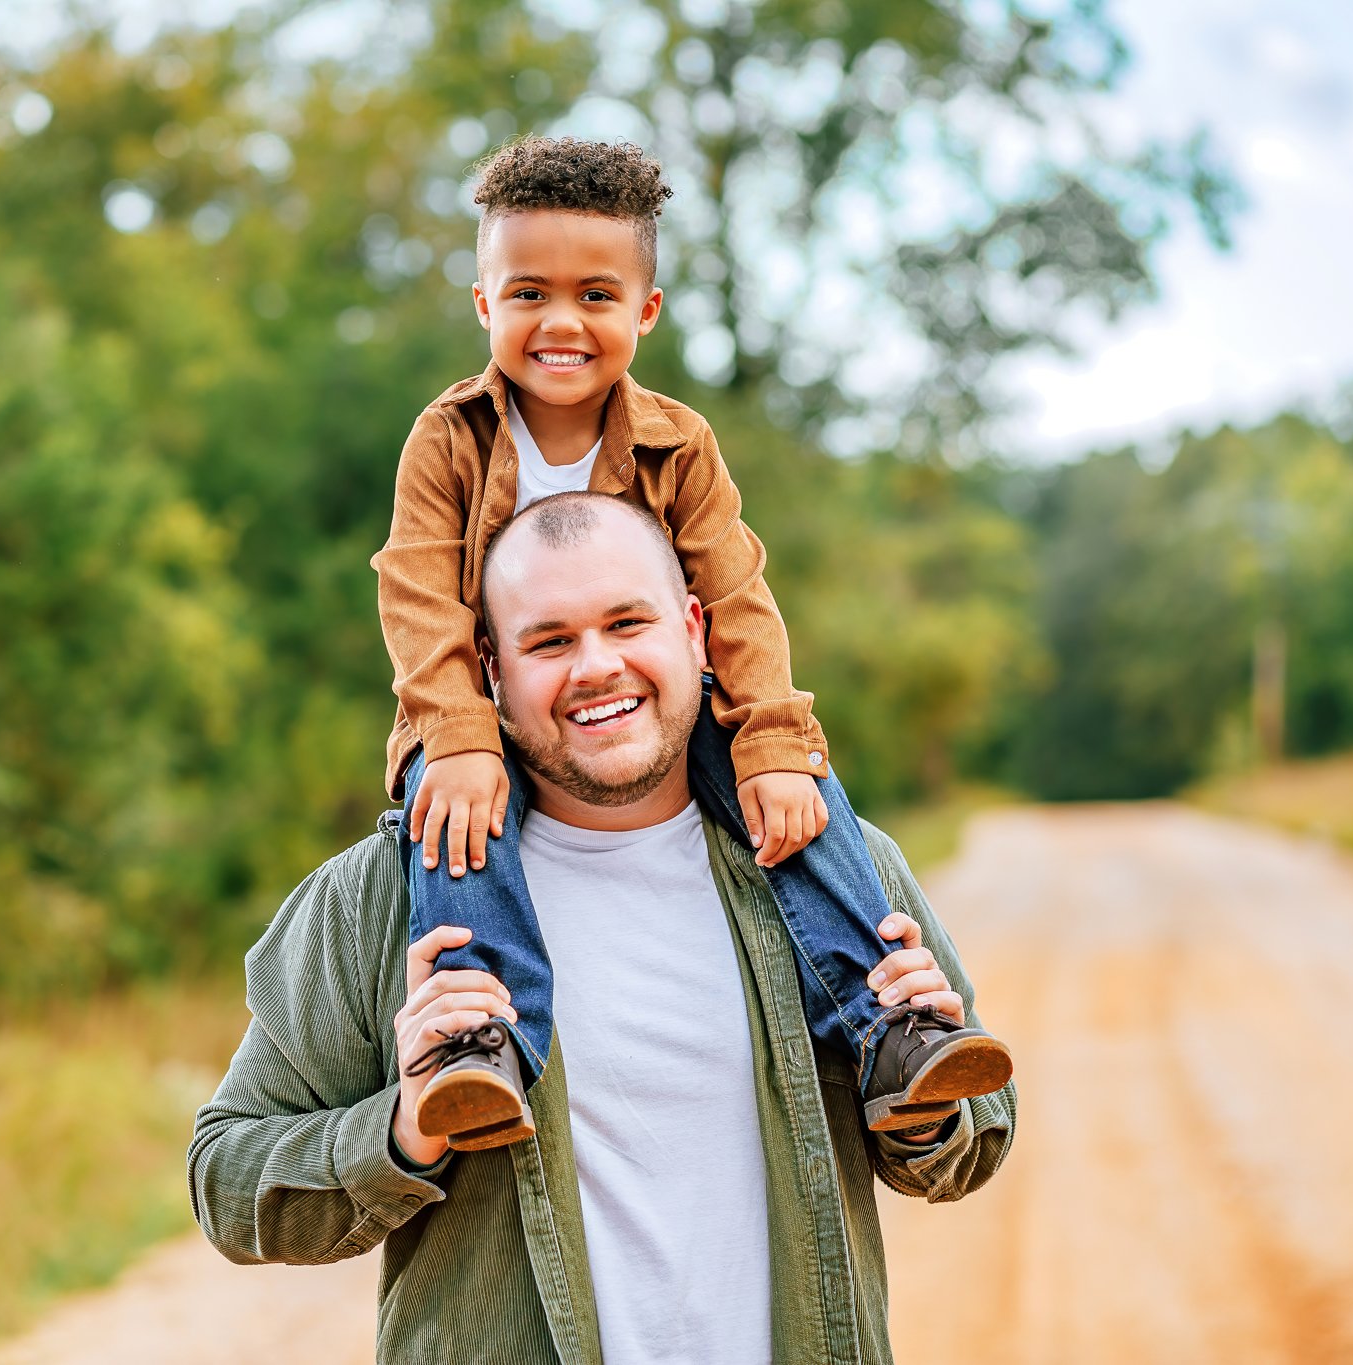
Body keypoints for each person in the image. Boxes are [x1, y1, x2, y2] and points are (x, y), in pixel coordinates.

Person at [191, 494, 1017, 1364]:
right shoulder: (384, 899)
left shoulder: (828, 863)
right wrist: (406, 1131)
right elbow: (229, 1181)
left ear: (696, 630)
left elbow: (977, 1137)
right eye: (549, 640)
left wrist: (928, 1106)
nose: (596, 667)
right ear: (488, 667)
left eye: (629, 623)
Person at [369, 135, 1010, 1151]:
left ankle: (886, 1025)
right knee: (454, 825)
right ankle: (474, 1045)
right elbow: (415, 591)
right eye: (528, 294)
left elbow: (735, 595)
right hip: (488, 714)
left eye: (595, 295)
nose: (561, 322)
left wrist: (766, 742)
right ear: (485, 305)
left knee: (797, 797)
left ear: (644, 311)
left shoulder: (678, 443)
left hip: (667, 710)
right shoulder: (449, 438)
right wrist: (452, 733)